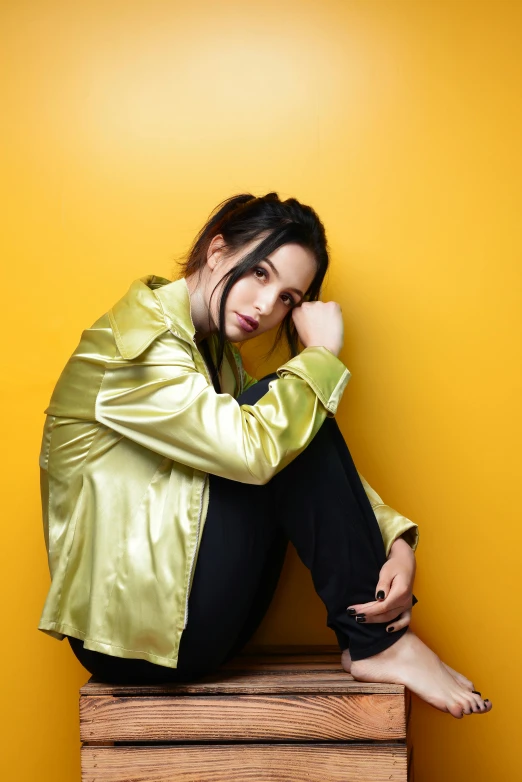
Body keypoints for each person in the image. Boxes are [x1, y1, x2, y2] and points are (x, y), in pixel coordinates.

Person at [38, 192, 491, 718]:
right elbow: (256, 448)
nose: (266, 306)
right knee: (287, 403)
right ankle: (378, 644)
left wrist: (394, 538)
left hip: (190, 624)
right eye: (259, 274)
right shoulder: (131, 348)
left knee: (290, 411)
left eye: (288, 300)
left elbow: (289, 447)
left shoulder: (215, 357)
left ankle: (378, 641)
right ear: (216, 250)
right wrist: (319, 357)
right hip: (132, 642)